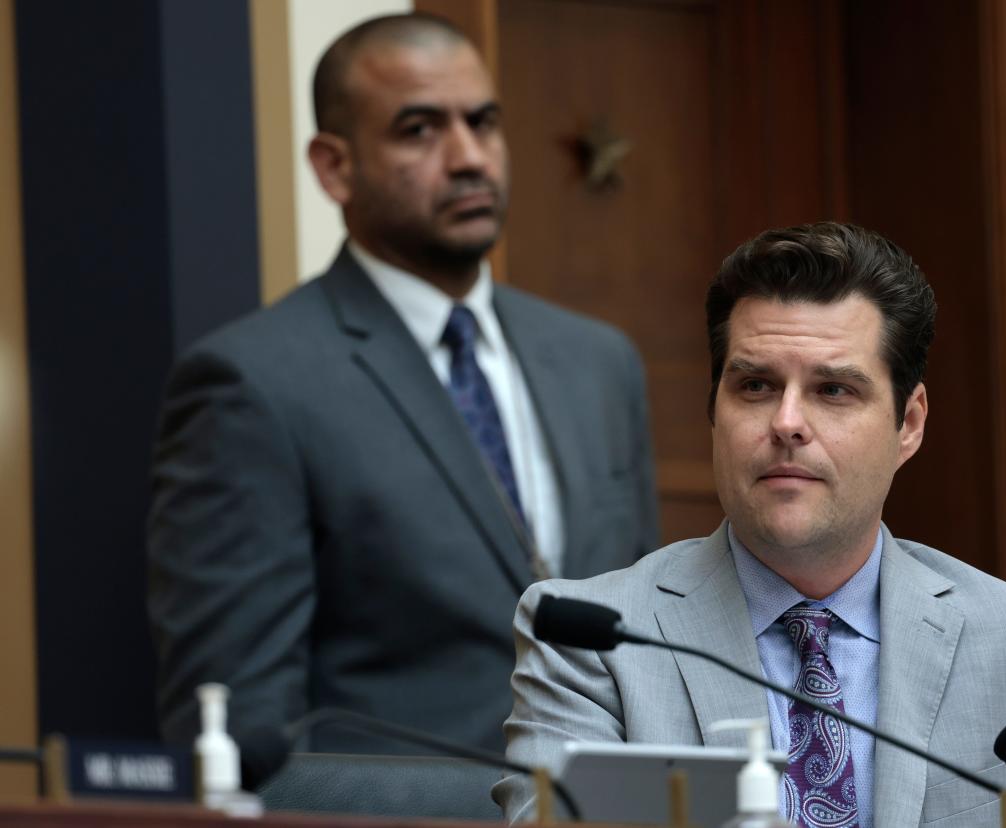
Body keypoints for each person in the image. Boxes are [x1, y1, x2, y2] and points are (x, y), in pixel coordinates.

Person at [146, 12, 658, 771]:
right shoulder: (253, 382)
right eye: (420, 130)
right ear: (333, 167)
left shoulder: (598, 361)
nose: (468, 157)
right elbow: (239, 735)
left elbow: (645, 652)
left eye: (483, 123)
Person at [496, 223, 1006, 826]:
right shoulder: (590, 643)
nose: (787, 422)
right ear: (713, 411)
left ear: (908, 423)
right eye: (755, 386)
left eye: (833, 390)